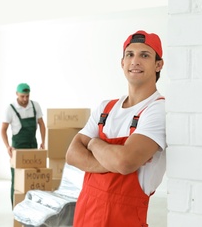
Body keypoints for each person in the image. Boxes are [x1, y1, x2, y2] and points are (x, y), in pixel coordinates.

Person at [66, 30, 166, 226]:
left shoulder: (157, 110)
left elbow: (125, 162)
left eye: (144, 55)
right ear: (122, 63)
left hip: (124, 219)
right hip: (85, 214)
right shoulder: (106, 108)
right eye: (130, 54)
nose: (135, 61)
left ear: (158, 64)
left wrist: (94, 143)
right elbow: (72, 154)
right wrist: (114, 160)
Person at [1, 83, 46, 206]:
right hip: (17, 150)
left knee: (33, 179)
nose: (25, 99)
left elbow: (41, 123)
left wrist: (43, 141)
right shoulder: (10, 109)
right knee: (16, 180)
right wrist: (7, 147)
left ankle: (32, 208)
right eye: (22, 96)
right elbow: (3, 129)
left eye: (27, 96)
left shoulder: (35, 106)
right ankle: (15, 209)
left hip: (33, 147)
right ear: (17, 94)